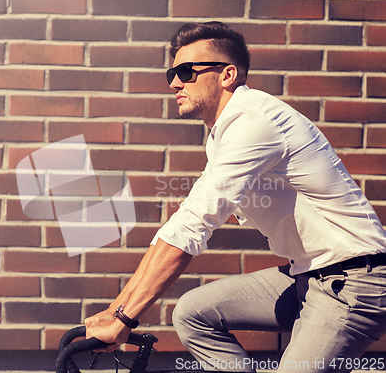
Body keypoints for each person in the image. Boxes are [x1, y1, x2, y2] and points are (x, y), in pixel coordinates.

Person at [84, 21, 386, 372]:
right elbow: (179, 224)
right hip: (308, 276)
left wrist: (125, 317)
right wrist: (116, 310)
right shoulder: (222, 134)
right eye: (171, 73)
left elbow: (194, 226)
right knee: (193, 313)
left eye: (186, 71)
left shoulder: (253, 122)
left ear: (227, 74)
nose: (174, 83)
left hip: (355, 283)